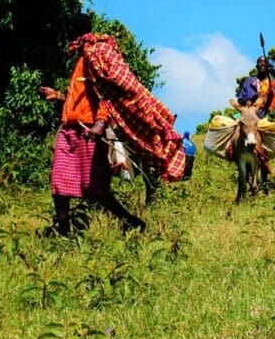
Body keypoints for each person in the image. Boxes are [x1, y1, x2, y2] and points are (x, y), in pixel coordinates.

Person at [38, 12, 184, 235]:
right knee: (58, 185)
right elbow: (81, 96)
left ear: (75, 30)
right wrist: (58, 96)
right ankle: (65, 234)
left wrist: (99, 122)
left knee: (95, 190)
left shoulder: (94, 55)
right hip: (69, 130)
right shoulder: (81, 57)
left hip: (88, 131)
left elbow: (108, 95)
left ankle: (130, 221)